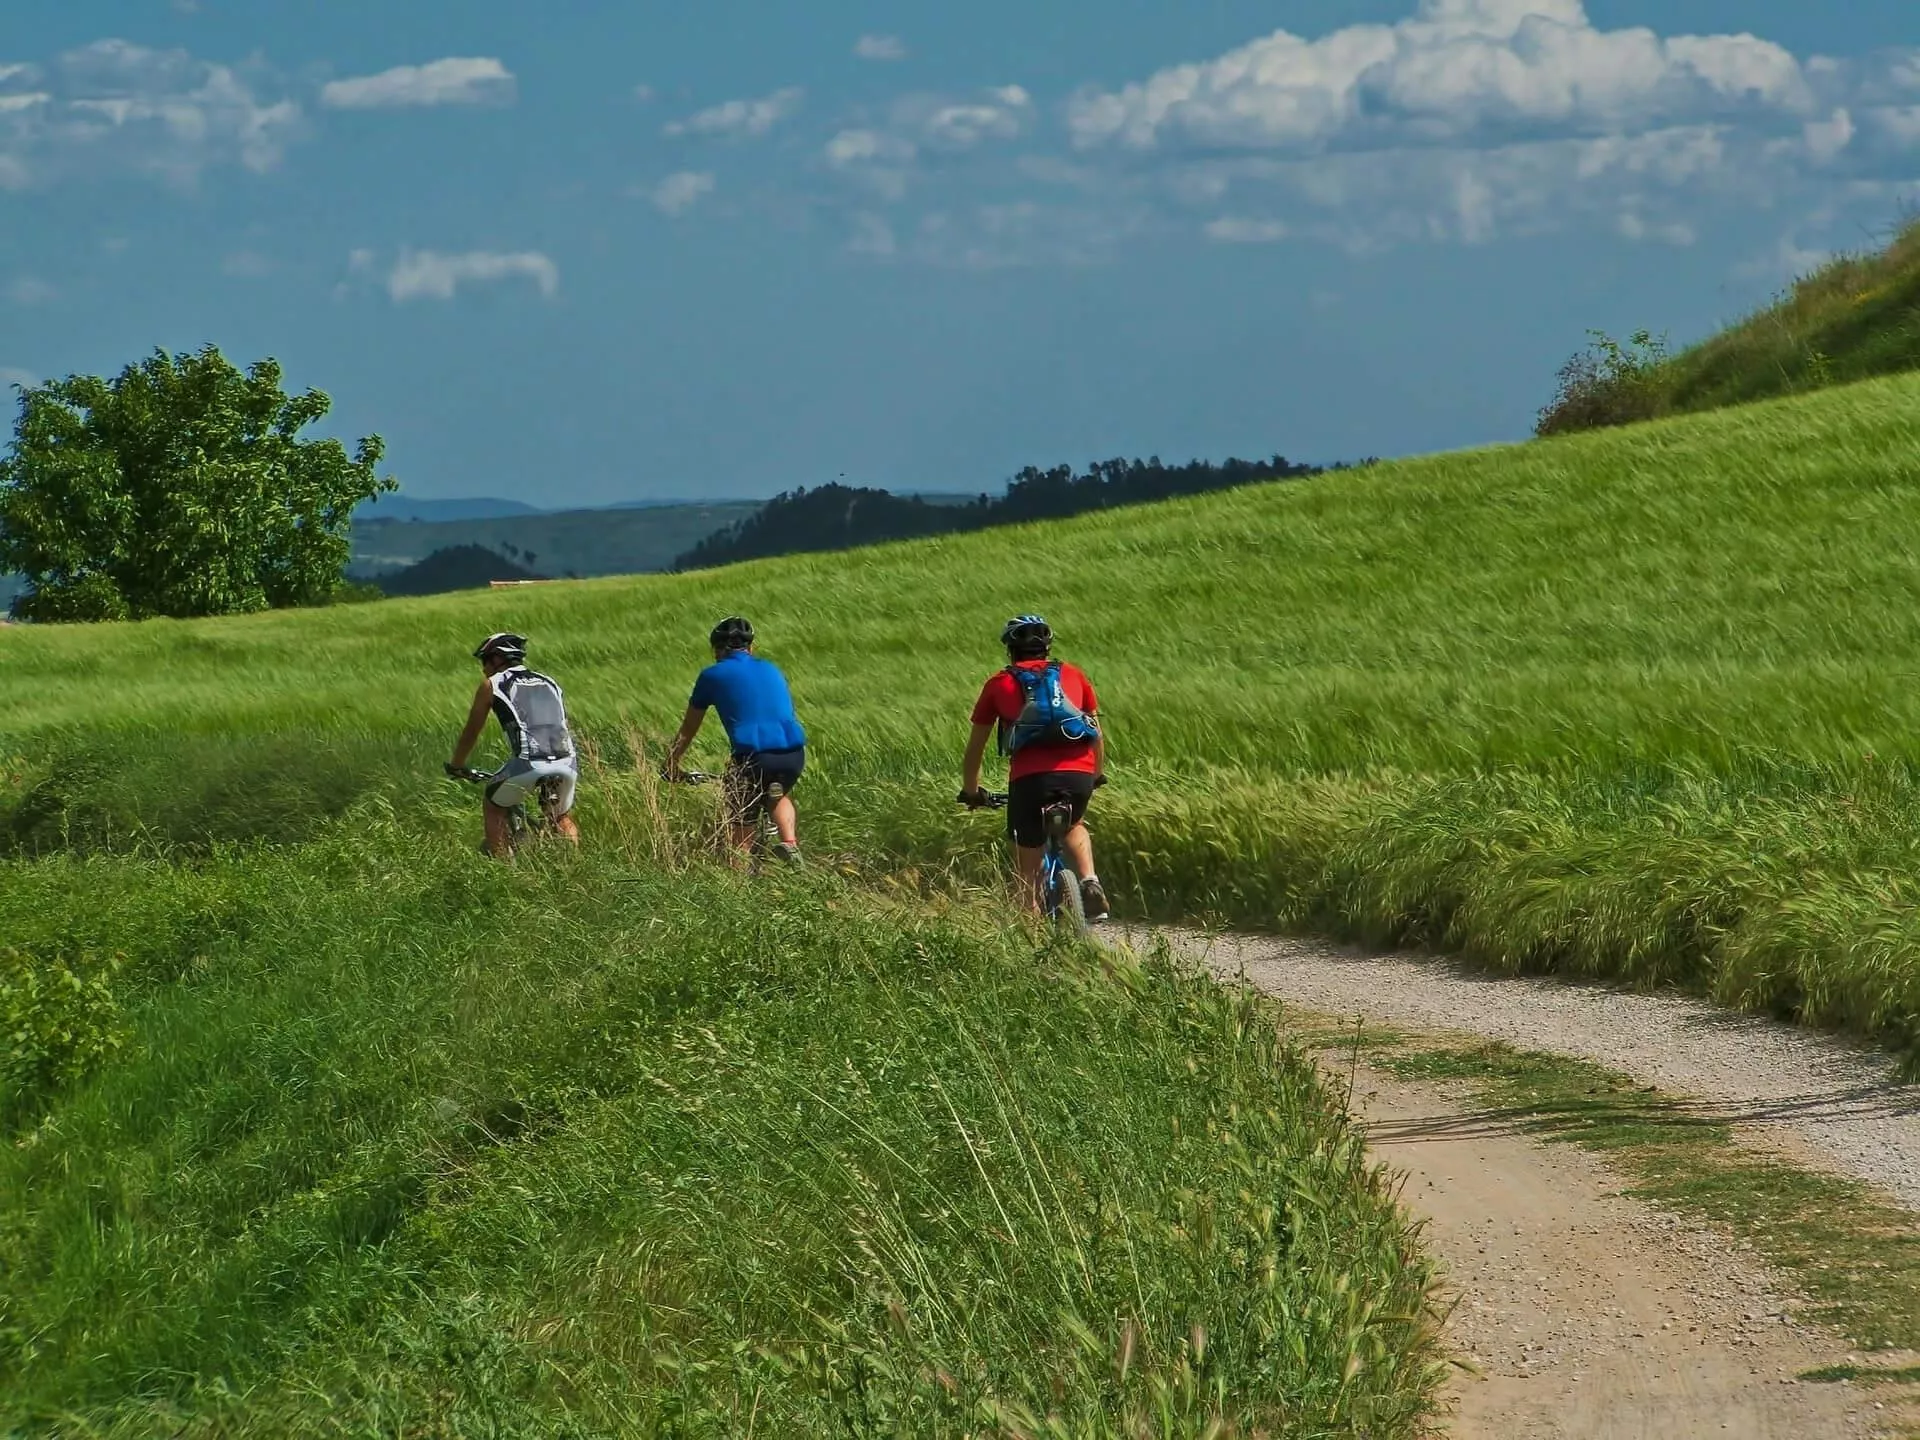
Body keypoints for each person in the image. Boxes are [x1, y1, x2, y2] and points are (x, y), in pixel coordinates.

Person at [959, 615, 1110, 920]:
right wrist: (1094, 776)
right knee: (1074, 824)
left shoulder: (999, 684)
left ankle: (1030, 943)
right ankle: (1089, 880)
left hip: (1030, 781)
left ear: (1011, 650)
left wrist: (972, 791)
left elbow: (975, 748)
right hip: (1078, 774)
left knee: (1026, 880)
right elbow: (1097, 732)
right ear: (1047, 647)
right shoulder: (1074, 675)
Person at [665, 617, 806, 863]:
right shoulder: (771, 668)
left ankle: (737, 885)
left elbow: (689, 727)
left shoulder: (712, 675)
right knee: (776, 795)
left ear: (716, 650)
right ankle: (790, 844)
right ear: (750, 648)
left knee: (741, 821)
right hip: (793, 754)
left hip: (753, 757)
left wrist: (671, 762)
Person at [447, 632, 582, 857]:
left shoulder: (492, 684)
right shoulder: (549, 682)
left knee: (493, 806)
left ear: (498, 658)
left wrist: (457, 764)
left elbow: (472, 731)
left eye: (485, 660)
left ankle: (504, 872)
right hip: (567, 761)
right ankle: (575, 863)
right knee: (560, 816)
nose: (483, 668)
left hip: (530, 763)